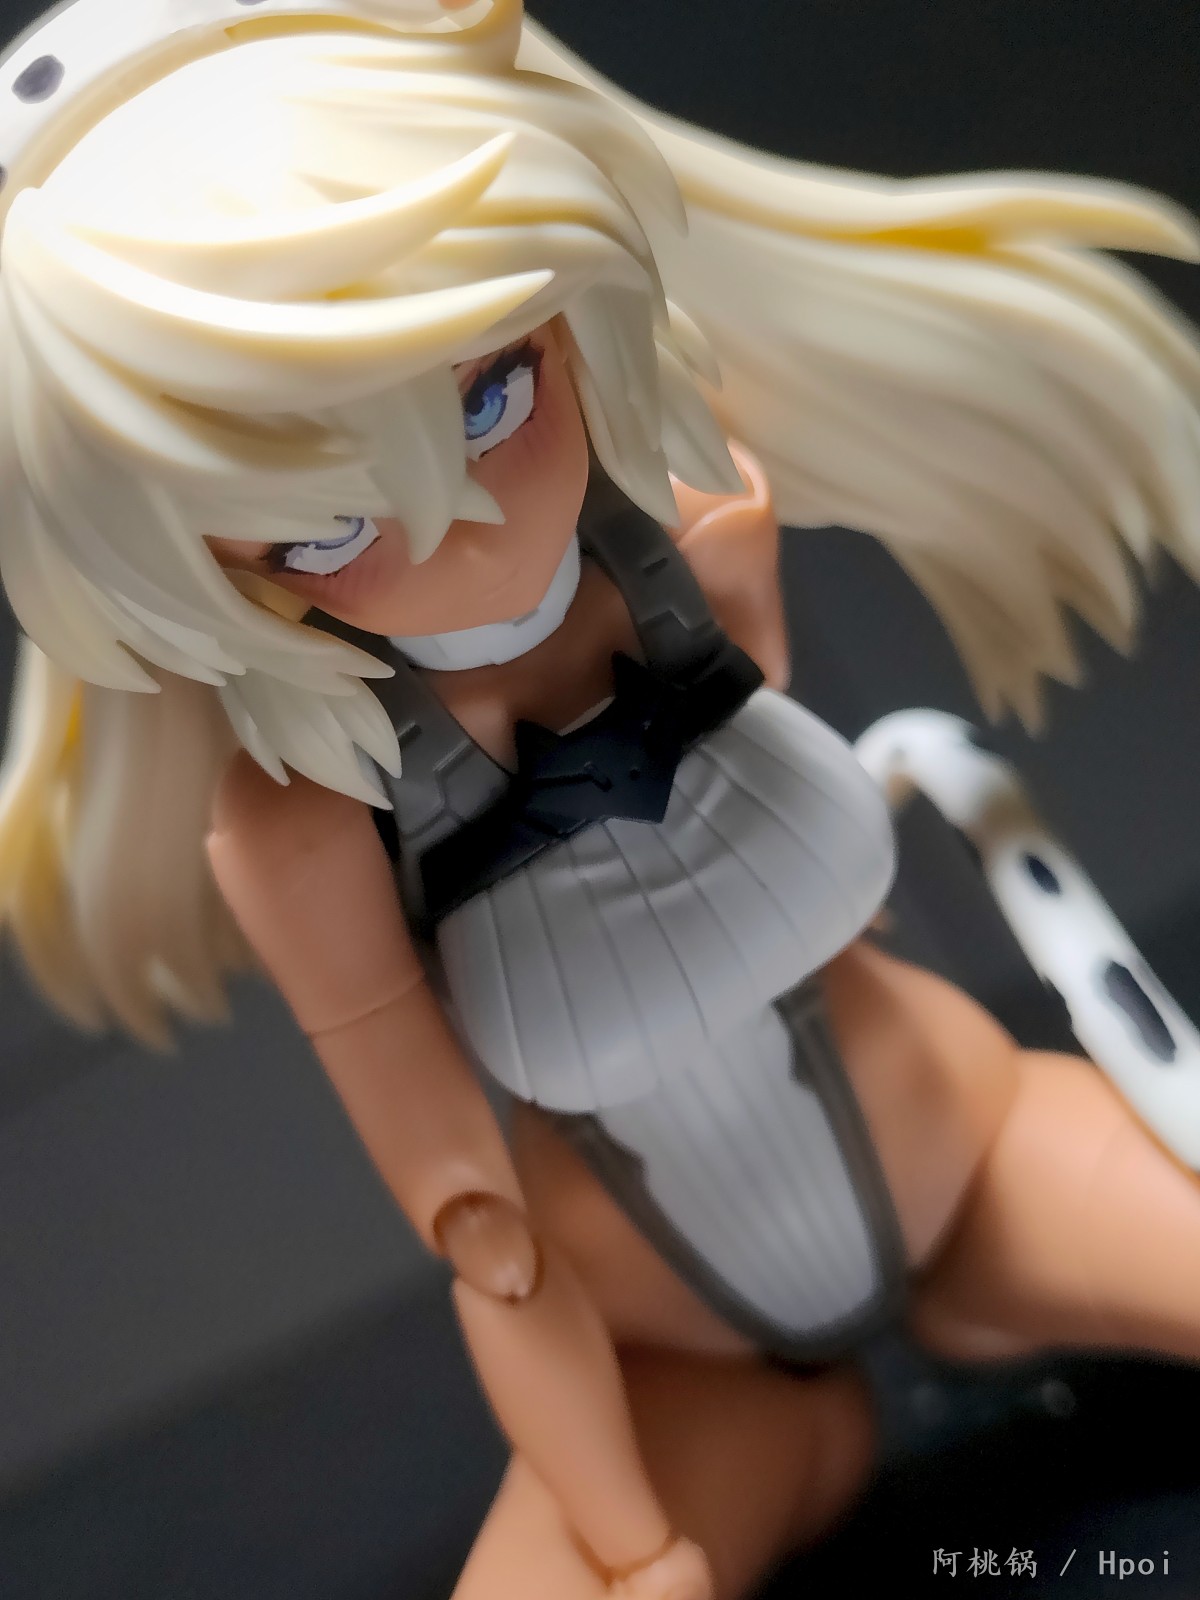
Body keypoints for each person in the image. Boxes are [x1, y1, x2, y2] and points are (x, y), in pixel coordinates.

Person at [1, 2, 1199, 1595]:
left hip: (974, 1165)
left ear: (564, 319)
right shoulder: (306, 819)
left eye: (490, 396)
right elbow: (482, 1236)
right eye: (318, 528)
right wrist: (628, 1541)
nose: (461, 533)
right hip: (680, 1353)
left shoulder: (704, 542)